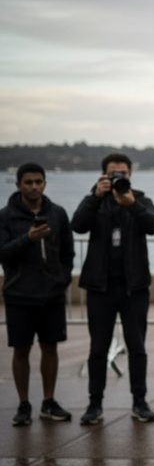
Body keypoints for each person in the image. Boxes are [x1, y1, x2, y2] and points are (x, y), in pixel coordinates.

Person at [71, 153, 154, 425]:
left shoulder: (140, 199)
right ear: (103, 175)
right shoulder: (95, 200)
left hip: (134, 286)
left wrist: (132, 204)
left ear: (130, 175)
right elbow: (77, 225)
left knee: (137, 348)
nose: (118, 178)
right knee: (98, 348)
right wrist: (95, 196)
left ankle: (140, 402)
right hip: (100, 287)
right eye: (112, 174)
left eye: (122, 173)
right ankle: (94, 404)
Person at [1, 163, 74, 426]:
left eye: (38, 182)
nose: (34, 187)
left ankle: (48, 401)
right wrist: (28, 238)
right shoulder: (6, 216)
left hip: (52, 295)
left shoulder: (57, 213)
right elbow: (3, 253)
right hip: (19, 294)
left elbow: (68, 252)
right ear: (18, 185)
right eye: (28, 182)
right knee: (21, 350)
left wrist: (62, 279)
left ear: (44, 183)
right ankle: (23, 404)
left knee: (50, 348)